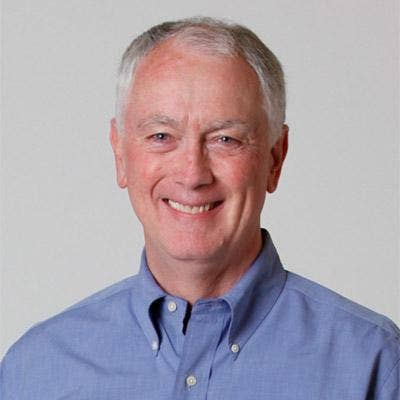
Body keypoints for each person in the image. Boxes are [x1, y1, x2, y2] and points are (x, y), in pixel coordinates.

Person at [1, 16, 399, 399]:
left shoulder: (373, 363)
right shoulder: (35, 371)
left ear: (275, 159)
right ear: (120, 154)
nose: (192, 174)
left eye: (225, 139)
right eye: (161, 136)